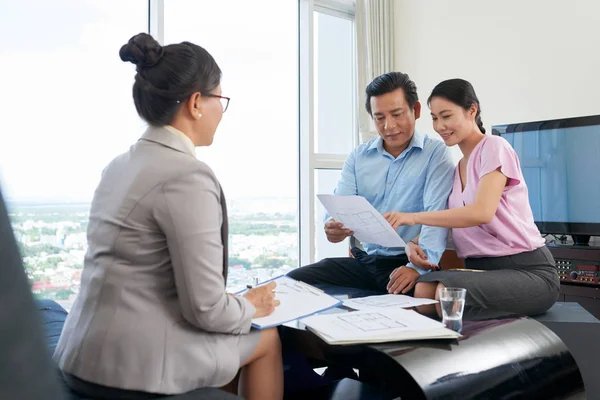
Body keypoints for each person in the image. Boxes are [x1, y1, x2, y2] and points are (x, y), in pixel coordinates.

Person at [53, 33, 283, 400]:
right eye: (220, 99)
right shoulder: (188, 175)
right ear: (196, 103)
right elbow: (205, 309)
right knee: (267, 336)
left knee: (229, 332)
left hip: (79, 354)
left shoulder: (118, 165)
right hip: (132, 368)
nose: (221, 111)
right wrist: (250, 305)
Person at [384, 78, 560, 316]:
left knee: (445, 294)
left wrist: (412, 217)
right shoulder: (458, 169)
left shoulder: (495, 147)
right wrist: (413, 244)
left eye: (446, 116)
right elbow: (449, 222)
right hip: (480, 270)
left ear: (472, 110)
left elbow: (481, 212)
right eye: (434, 118)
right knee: (423, 291)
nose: (440, 126)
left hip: (527, 269)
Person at [287, 72, 455, 295]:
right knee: (293, 282)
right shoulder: (359, 157)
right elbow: (339, 208)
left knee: (418, 298)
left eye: (396, 114)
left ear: (415, 111)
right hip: (365, 262)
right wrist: (333, 227)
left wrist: (415, 268)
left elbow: (438, 216)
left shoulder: (436, 153)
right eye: (379, 117)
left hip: (409, 262)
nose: (389, 126)